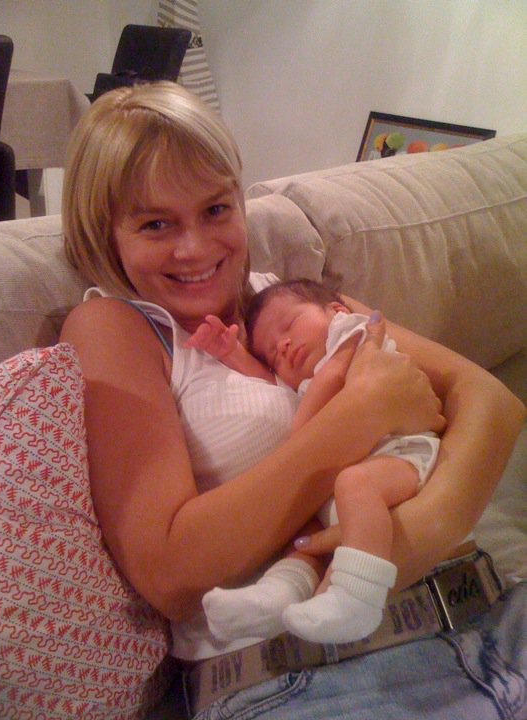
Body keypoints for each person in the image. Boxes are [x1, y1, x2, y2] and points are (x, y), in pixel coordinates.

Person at [60, 80, 526, 719]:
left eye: (216, 209)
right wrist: (362, 412)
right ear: (104, 231)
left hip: (488, 609)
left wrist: (408, 545)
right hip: (309, 679)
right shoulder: (117, 327)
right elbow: (169, 570)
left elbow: (490, 401)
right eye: (156, 223)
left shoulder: (281, 300)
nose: (196, 248)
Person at [184, 278, 440, 645]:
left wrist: (301, 436)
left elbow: (333, 378)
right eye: (273, 353)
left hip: (403, 453)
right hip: (358, 472)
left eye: (289, 326)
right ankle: (277, 595)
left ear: (335, 310)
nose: (283, 346)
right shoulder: (305, 380)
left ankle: (357, 598)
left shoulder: (350, 333)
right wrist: (232, 354)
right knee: (302, 527)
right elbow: (271, 383)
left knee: (356, 485)